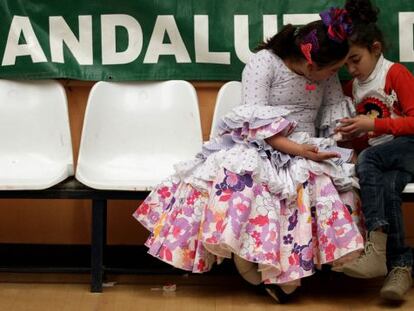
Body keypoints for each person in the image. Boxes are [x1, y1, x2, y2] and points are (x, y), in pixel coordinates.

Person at [133, 8, 364, 303]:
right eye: (332, 69)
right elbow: (254, 126)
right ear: (309, 63)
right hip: (262, 144)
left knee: (326, 181)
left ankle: (287, 269)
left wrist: (335, 147)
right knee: (247, 179)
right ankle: (247, 256)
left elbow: (332, 119)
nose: (336, 75)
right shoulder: (264, 63)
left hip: (308, 146)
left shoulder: (326, 75)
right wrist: (299, 150)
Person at [336, 0, 414, 301]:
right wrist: (348, 138)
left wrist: (373, 127)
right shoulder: (353, 87)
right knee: (386, 184)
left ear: (376, 48)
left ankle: (376, 246)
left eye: (356, 60)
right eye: (346, 64)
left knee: (369, 160)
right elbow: (364, 139)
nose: (352, 69)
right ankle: (401, 266)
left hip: (409, 147)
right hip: (384, 160)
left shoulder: (395, 74)